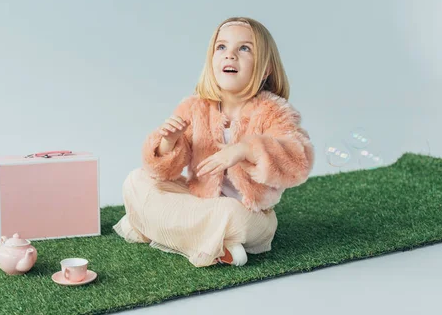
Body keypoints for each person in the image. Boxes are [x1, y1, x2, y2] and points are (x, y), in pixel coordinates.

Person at [113, 17, 315, 267]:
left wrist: (244, 150)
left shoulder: (273, 112)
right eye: (221, 47)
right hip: (199, 202)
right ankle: (213, 243)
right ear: (211, 60)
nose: (230, 55)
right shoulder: (194, 107)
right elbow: (165, 171)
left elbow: (298, 159)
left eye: (244, 48)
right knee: (136, 181)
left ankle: (167, 229)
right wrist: (168, 142)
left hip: (248, 215)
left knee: (230, 214)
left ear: (265, 69)